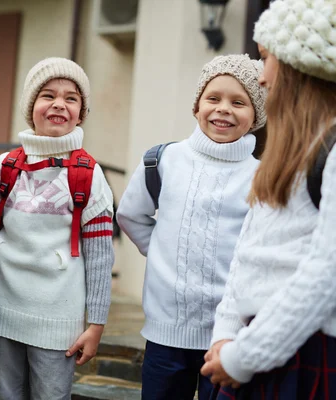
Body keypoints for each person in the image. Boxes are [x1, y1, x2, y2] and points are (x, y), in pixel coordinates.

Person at [201, 1, 336, 398]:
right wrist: (225, 336)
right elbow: (247, 255)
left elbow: (325, 274)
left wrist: (244, 355)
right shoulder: (285, 157)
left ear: (298, 68)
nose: (260, 77)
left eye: (266, 59)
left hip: (298, 351)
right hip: (252, 348)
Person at [117, 54, 267, 399]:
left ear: (256, 115)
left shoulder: (262, 176)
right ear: (197, 105)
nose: (223, 109)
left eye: (238, 102)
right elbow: (130, 214)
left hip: (228, 337)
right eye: (213, 98)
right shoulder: (164, 160)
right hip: (165, 334)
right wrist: (162, 251)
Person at [0, 57, 115, 400]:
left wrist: (96, 324)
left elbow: (100, 256)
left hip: (58, 319)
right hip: (2, 310)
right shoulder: (5, 167)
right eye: (48, 95)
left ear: (80, 114)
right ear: (32, 108)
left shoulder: (88, 174)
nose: (59, 104)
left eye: (71, 98)